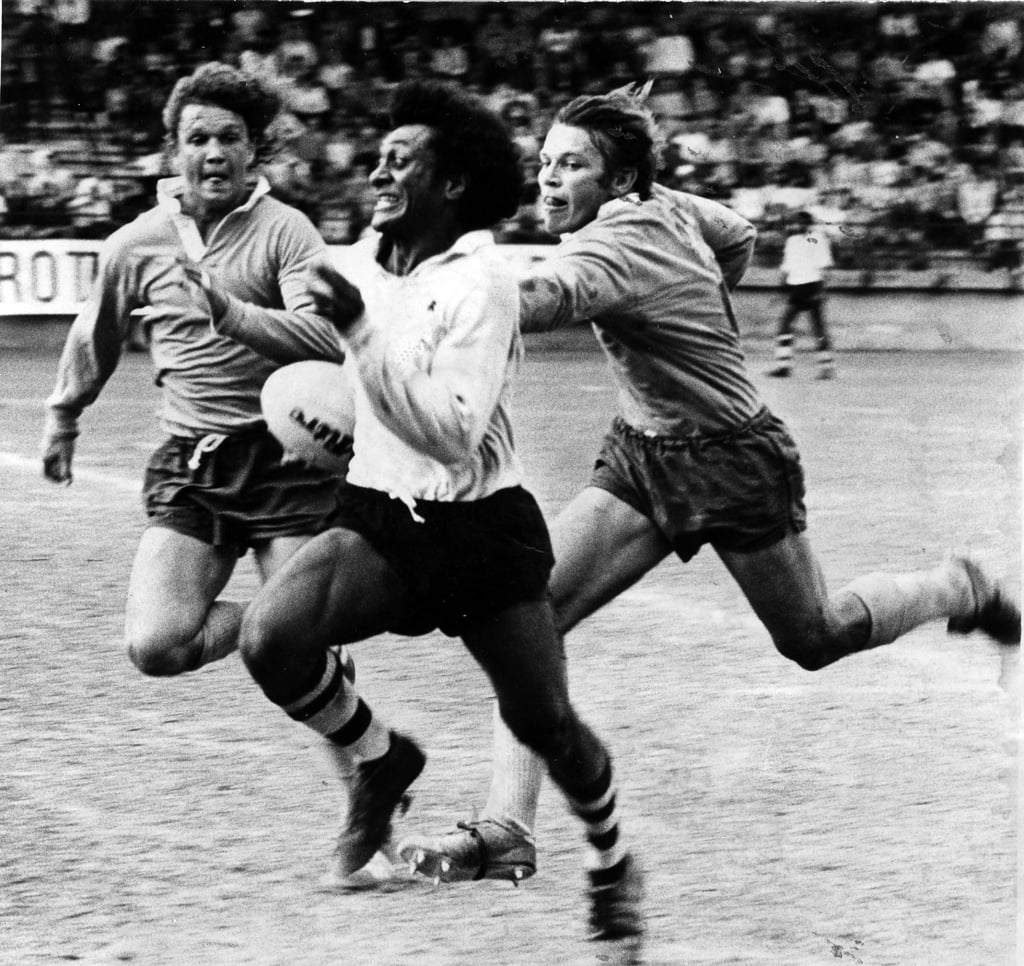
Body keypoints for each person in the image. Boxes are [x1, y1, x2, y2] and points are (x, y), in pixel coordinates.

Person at [396, 84, 1021, 885]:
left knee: (813, 637)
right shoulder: (666, 205)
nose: (548, 178)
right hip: (644, 455)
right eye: (546, 161)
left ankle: (958, 587)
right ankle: (506, 828)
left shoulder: (615, 246)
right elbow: (738, 234)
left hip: (733, 463)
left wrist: (420, 300)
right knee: (530, 614)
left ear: (621, 181)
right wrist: (688, 305)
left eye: (572, 165)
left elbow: (546, 297)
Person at [208, 79, 645, 953]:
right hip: (381, 517)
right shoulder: (361, 261)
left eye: (399, 160)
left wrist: (362, 336)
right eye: (379, 156)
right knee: (271, 637)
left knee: (545, 724)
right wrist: (236, 323)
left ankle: (612, 859)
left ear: (450, 185)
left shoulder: (483, 282)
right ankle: (381, 758)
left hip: (481, 532)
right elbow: (323, 353)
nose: (377, 172)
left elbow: (451, 433)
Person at [40, 63, 362, 725]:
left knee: (298, 650)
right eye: (198, 139)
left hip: (286, 461)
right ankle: (289, 633)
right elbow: (95, 333)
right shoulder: (135, 244)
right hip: (193, 464)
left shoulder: (287, 230)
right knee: (156, 646)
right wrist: (64, 416)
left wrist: (231, 313)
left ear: (252, 149)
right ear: (173, 150)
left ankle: (353, 739)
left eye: (229, 137)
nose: (214, 152)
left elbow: (326, 337)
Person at [767, 209, 836, 380]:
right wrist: (780, 290)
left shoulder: (818, 238)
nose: (799, 225)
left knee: (816, 327)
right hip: (796, 286)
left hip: (812, 285)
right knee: (787, 325)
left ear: (809, 223)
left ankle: (826, 366)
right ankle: (785, 366)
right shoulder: (791, 241)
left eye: (803, 222)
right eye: (797, 222)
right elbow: (787, 267)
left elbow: (825, 266)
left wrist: (822, 290)